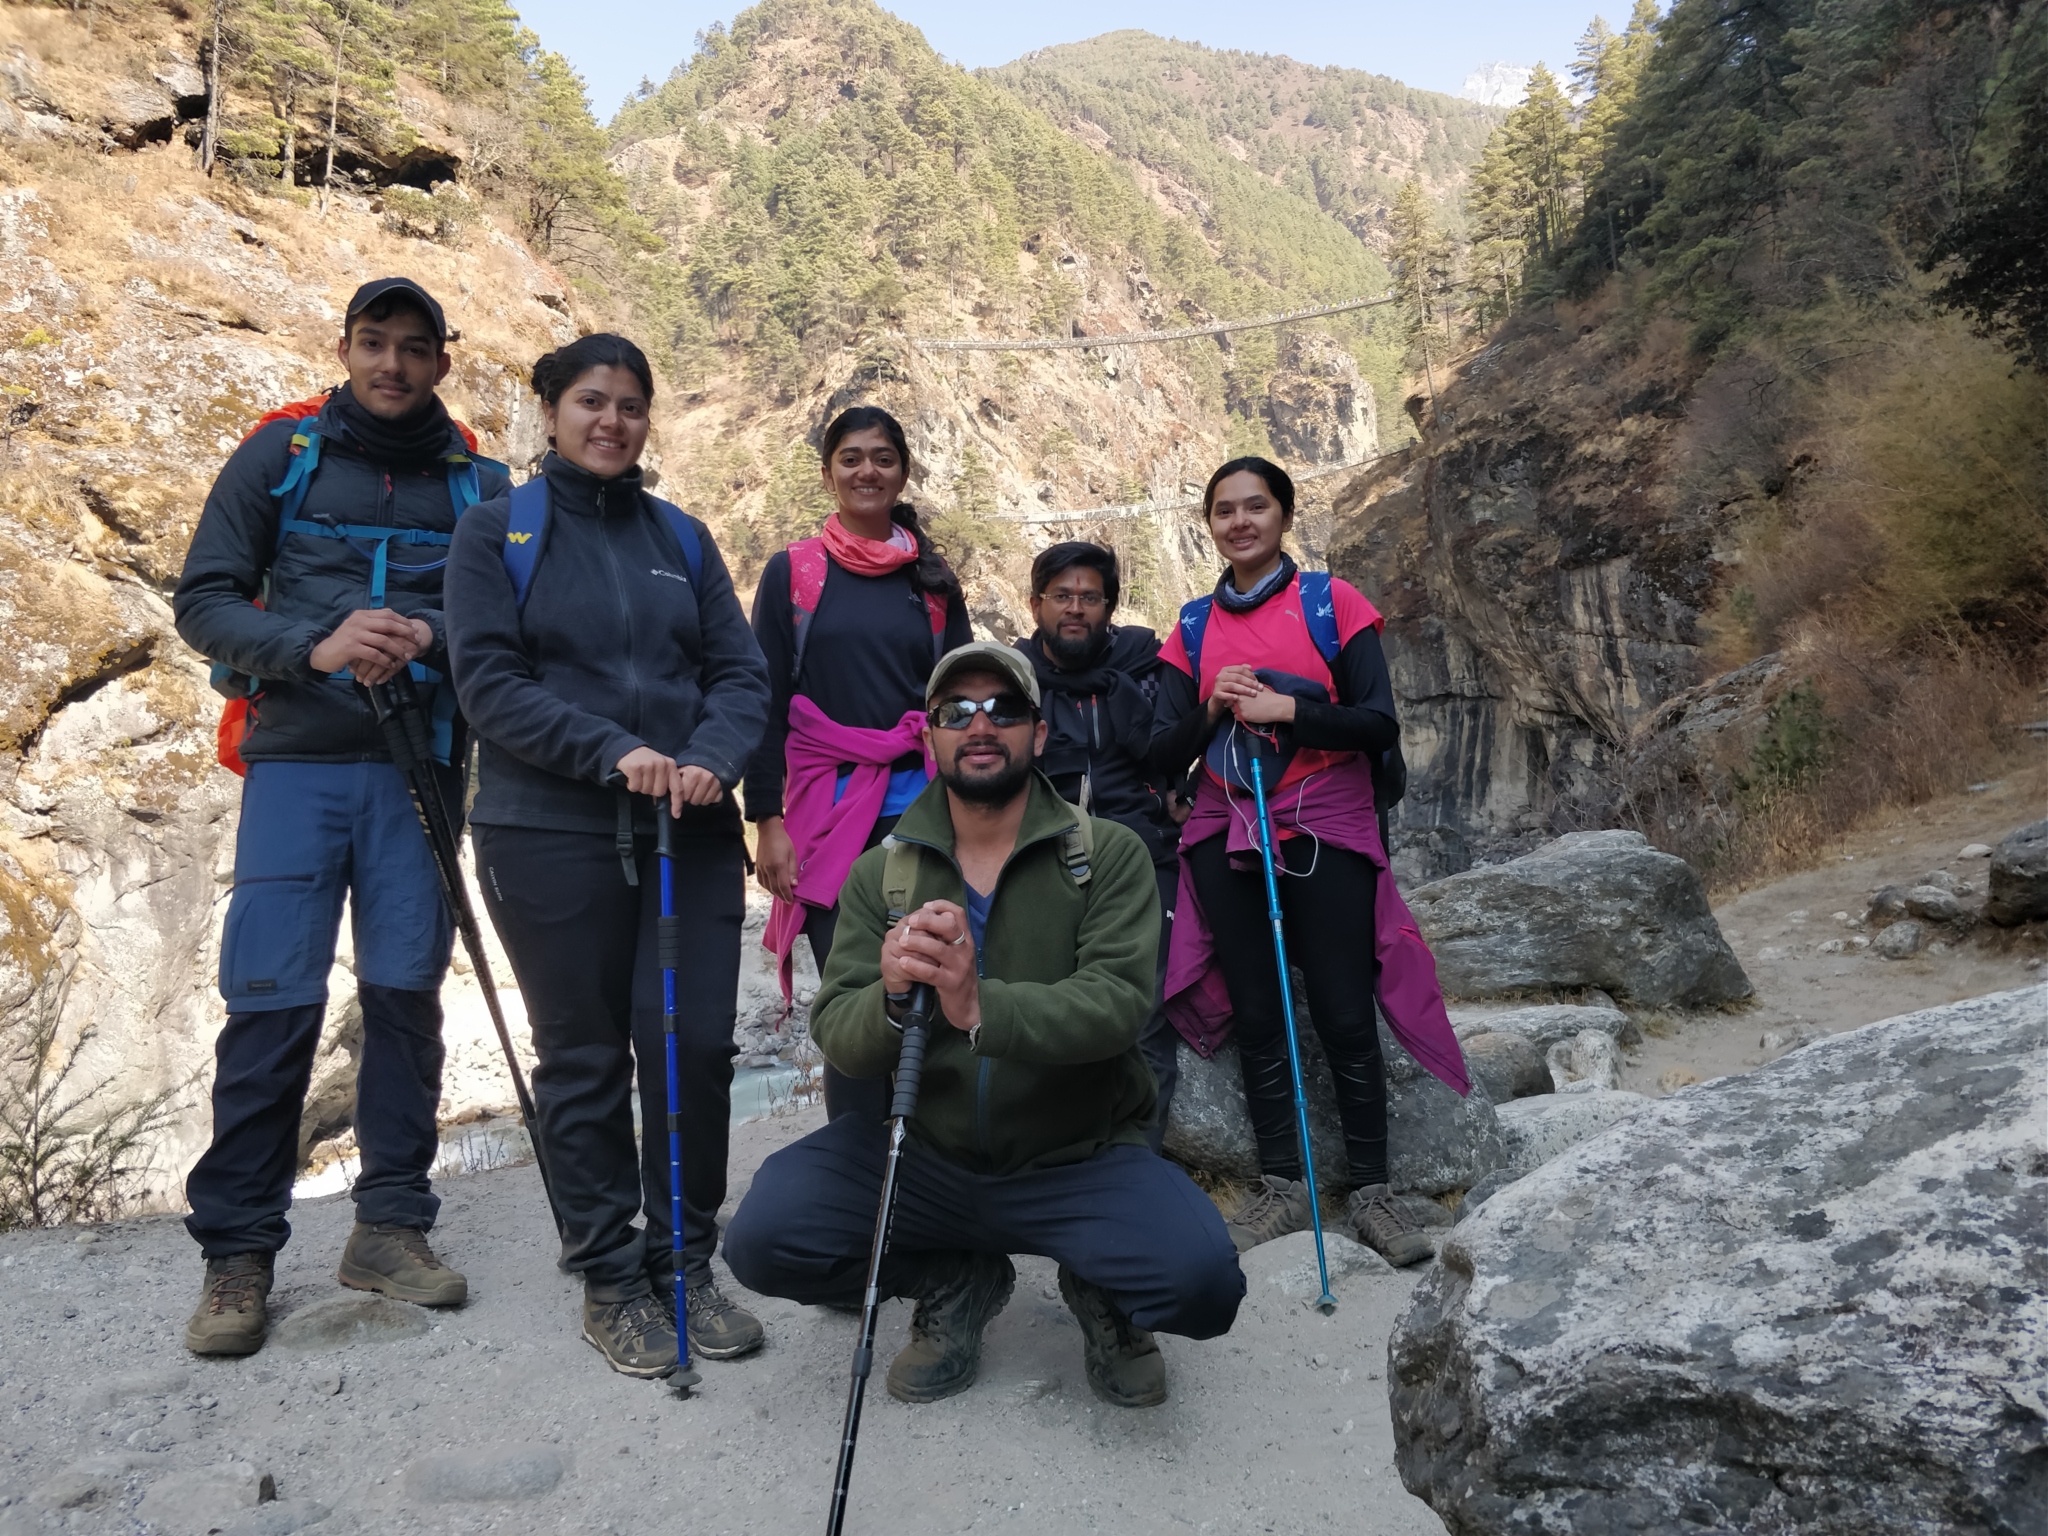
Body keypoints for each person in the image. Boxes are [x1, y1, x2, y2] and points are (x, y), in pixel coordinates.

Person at [724, 643, 1244, 1409]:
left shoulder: (1110, 856)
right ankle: (953, 1278)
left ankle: (1100, 1286)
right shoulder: (880, 874)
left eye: (1003, 709)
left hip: (1076, 1160)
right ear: (930, 736)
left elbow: (1117, 1007)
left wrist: (978, 1008)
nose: (979, 725)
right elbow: (838, 1033)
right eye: (955, 711)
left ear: (1039, 732)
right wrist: (891, 996)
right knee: (763, 1237)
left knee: (1203, 1282)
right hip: (924, 1160)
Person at [173, 277, 510, 1357]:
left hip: (422, 768)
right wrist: (314, 646)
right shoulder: (280, 455)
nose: (391, 365)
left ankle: (390, 1228)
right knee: (270, 999)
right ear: (346, 349)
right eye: (374, 343)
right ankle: (238, 1254)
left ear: (442, 362)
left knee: (407, 998)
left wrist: (432, 637)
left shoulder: (482, 486)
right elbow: (203, 599)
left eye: (413, 347)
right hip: (296, 764)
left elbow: (509, 621)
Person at [443, 334, 772, 1379]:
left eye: (630, 405)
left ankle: (685, 1262)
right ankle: (608, 1275)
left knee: (695, 1049)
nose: (611, 422)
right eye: (591, 401)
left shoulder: (681, 538)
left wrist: (712, 755)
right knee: (584, 1058)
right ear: (549, 411)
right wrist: (611, 751)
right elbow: (487, 682)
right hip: (548, 831)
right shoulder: (496, 533)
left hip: (690, 830)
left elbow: (740, 675)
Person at [1148, 457, 1468, 1269]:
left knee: (1342, 1010)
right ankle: (1281, 1185)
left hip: (1325, 820)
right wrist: (1212, 707)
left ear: (1284, 516)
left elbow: (1378, 723)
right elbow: (1158, 752)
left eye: (1256, 506)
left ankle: (1372, 1191)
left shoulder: (1333, 603)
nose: (1240, 522)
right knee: (1258, 1013)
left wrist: (1287, 708)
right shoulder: (1191, 628)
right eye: (1224, 510)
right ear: (1209, 524)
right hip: (1227, 825)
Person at [745, 406, 972, 1123]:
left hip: (923, 809)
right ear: (828, 474)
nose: (866, 471)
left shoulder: (932, 580)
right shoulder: (795, 572)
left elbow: (962, 700)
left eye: (882, 457)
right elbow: (764, 700)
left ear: (902, 473)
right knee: (852, 993)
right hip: (825, 812)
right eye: (851, 458)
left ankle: (930, 1157)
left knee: (930, 977)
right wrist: (767, 821)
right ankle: (851, 1158)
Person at [1014, 542, 1187, 1146]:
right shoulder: (1013, 683)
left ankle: (1137, 1160)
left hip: (1142, 854)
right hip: (1042, 856)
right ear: (1036, 604)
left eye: (1090, 597)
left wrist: (1182, 790)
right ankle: (1054, 1156)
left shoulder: (1148, 666)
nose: (1076, 608)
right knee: (1046, 1004)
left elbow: (1180, 740)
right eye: (1062, 595)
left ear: (1109, 606)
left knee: (1144, 1010)